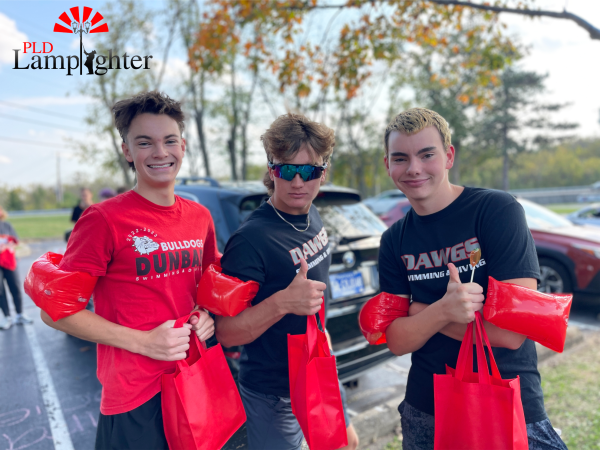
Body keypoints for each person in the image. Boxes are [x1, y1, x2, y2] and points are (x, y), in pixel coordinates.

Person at [38, 91, 218, 449]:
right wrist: (144, 342)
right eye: (145, 143)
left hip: (193, 379)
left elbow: (207, 287)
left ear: (182, 145)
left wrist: (206, 314)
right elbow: (53, 313)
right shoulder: (103, 219)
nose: (160, 152)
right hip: (134, 396)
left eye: (169, 141)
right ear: (127, 151)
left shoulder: (200, 217)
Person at [378, 108, 567, 449]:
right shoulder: (393, 240)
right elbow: (396, 341)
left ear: (448, 156)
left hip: (505, 399)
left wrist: (420, 311)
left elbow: (510, 333)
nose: (414, 168)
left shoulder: (496, 211)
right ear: (388, 166)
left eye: (426, 154)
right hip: (426, 408)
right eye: (401, 158)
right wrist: (443, 311)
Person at [215, 113, 359, 450]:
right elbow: (226, 332)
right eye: (286, 169)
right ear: (270, 169)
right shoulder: (251, 240)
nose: (298, 182)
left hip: (319, 371)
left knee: (346, 445)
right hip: (274, 393)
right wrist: (283, 302)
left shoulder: (312, 213)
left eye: (309, 171)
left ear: (323, 172)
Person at [0, 205, 32, 330]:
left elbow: (15, 240)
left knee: (15, 287)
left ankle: (20, 314)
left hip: (9, 261)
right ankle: (7, 317)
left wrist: (7, 245)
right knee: (0, 291)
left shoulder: (6, 225)